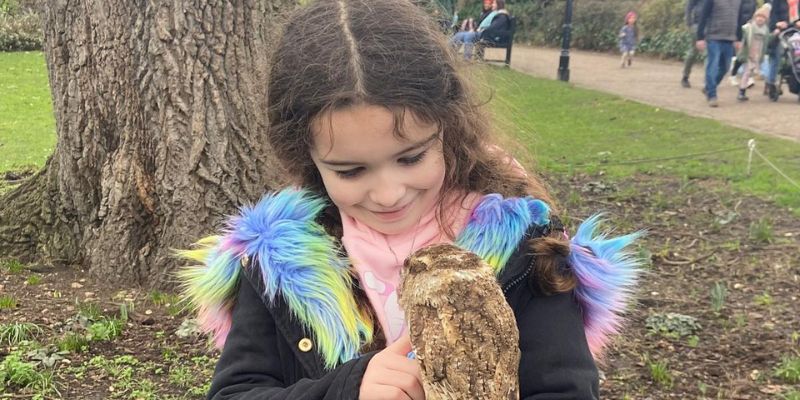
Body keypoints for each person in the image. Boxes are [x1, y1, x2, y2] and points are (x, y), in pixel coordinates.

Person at [178, 1, 642, 399]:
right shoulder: (277, 262)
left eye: (411, 157)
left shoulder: (526, 248)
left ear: (448, 127)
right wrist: (347, 387)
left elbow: (565, 388)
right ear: (307, 159)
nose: (388, 193)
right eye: (350, 170)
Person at [696, 0, 751, 107]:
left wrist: (738, 38)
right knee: (713, 65)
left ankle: (709, 87)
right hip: (713, 37)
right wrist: (700, 37)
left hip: (729, 39)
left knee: (725, 67)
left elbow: (739, 20)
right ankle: (712, 95)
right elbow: (703, 16)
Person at [764, 0, 800, 101]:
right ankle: (771, 84)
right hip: (782, 32)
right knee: (776, 57)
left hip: (796, 32)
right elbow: (773, 16)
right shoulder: (778, 2)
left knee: (797, 57)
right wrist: (777, 24)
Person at [736, 4, 772, 101]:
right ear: (755, 17)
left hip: (758, 52)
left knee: (752, 72)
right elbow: (744, 36)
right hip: (749, 52)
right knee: (747, 72)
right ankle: (741, 91)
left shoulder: (765, 30)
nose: (760, 19)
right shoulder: (750, 27)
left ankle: (744, 88)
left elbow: (767, 41)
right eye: (758, 17)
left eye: (763, 18)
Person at [683, 0, 706, 88]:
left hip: (711, 25)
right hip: (697, 24)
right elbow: (689, 6)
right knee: (693, 52)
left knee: (710, 53)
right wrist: (689, 23)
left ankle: (708, 80)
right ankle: (685, 76)